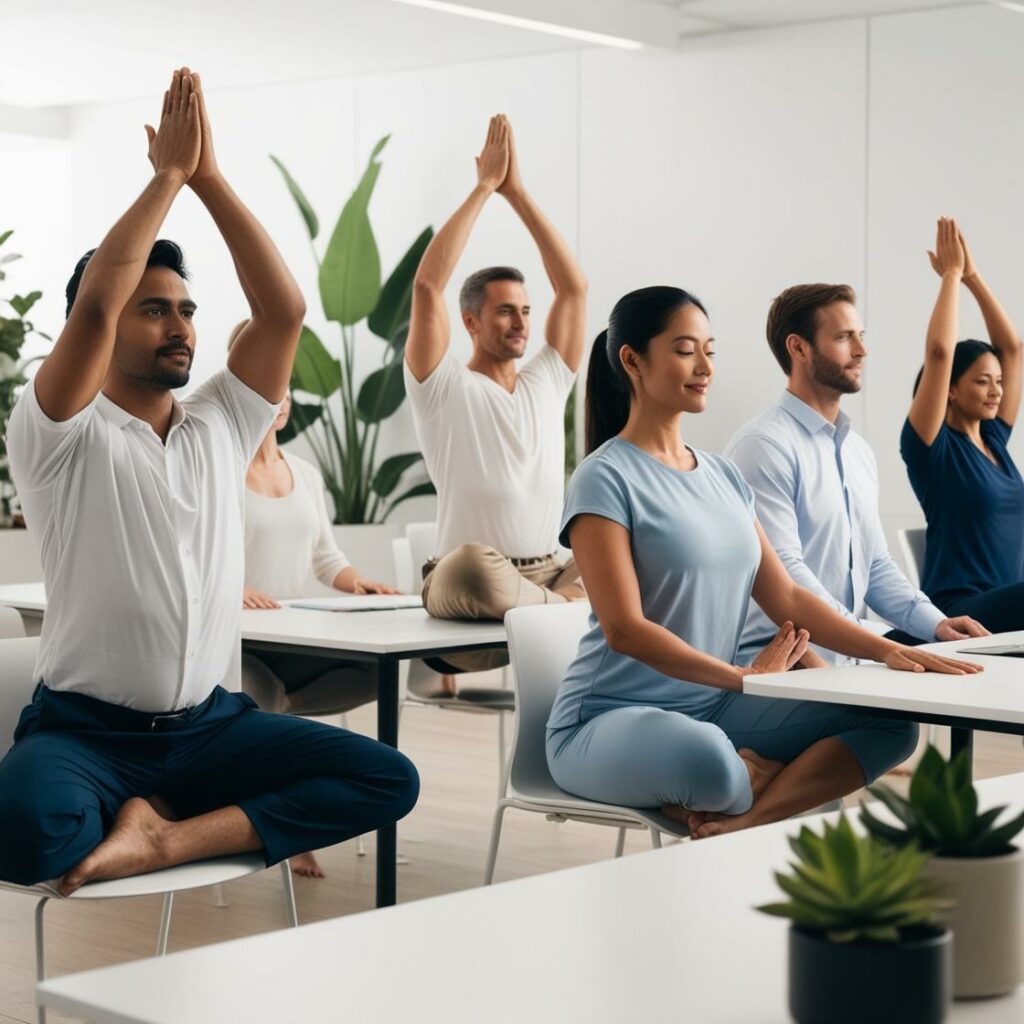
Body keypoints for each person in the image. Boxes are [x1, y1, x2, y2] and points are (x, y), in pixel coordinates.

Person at [0, 69, 418, 893]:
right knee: (22, 836)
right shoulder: (59, 430)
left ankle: (164, 836)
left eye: (187, 309)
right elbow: (90, 311)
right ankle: (145, 810)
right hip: (87, 731)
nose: (180, 325)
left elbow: (284, 312)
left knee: (388, 779)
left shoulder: (223, 421)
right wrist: (165, 178)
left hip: (210, 729)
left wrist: (211, 179)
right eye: (154, 308)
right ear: (108, 315)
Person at [546, 286, 981, 840]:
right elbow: (625, 630)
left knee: (890, 721)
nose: (705, 366)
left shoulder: (722, 475)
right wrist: (745, 679)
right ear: (632, 360)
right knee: (708, 761)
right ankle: (749, 778)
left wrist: (889, 650)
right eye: (685, 350)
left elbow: (790, 599)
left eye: (710, 349)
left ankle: (745, 816)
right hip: (605, 719)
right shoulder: (604, 478)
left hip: (720, 706)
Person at [404, 115, 587, 670]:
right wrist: (484, 187)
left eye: (526, 311)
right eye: (505, 310)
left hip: (548, 572)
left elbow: (574, 289)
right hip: (473, 590)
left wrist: (519, 193)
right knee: (470, 566)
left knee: (631, 551)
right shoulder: (441, 385)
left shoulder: (547, 380)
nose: (521, 322)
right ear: (470, 321)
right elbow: (427, 285)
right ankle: (564, 613)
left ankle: (552, 607)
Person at [726, 282, 987, 670]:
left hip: (850, 656)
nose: (862, 350)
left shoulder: (857, 452)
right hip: (783, 660)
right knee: (892, 726)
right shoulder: (763, 445)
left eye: (860, 336)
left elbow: (876, 564)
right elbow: (787, 576)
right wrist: (875, 641)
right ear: (798, 348)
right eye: (844, 337)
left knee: (927, 692)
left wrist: (937, 624)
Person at [901, 218, 1024, 631]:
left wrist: (973, 276)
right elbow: (939, 352)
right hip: (960, 607)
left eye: (1000, 383)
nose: (996, 392)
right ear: (950, 390)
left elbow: (1014, 347)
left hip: (1012, 604)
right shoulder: (931, 448)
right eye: (982, 381)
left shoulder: (994, 438)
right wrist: (951, 277)